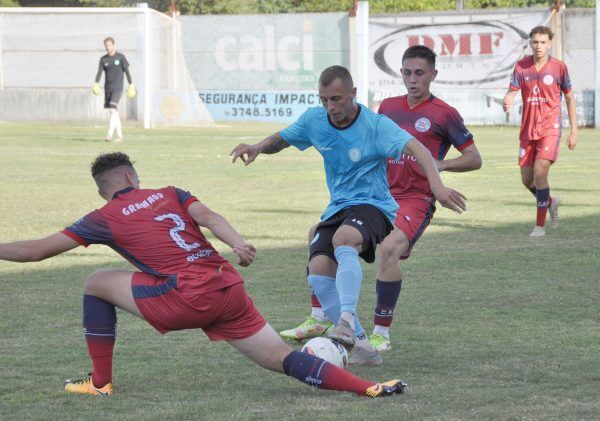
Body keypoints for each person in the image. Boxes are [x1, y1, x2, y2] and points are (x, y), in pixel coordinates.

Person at [0, 152, 406, 398]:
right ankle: (368, 387)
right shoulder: (171, 192)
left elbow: (36, 252)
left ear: (105, 188)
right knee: (282, 358)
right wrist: (238, 243)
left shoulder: (102, 216)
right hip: (226, 286)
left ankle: (100, 383)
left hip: (185, 298)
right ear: (129, 177)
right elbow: (209, 217)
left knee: (95, 283)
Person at [230, 65, 467, 366]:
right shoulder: (315, 120)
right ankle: (363, 345)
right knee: (317, 270)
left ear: (353, 94)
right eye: (324, 99)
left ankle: (343, 322)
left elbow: (417, 148)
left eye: (337, 99)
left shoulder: (375, 125)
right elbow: (284, 138)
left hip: (376, 206)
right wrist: (257, 147)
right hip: (339, 207)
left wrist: (438, 187)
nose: (330, 107)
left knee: (344, 240)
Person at [280, 46, 482, 355]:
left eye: (419, 73)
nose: (412, 80)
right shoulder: (387, 107)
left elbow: (474, 158)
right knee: (317, 236)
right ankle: (320, 316)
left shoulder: (444, 114)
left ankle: (380, 333)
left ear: (433, 75)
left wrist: (441, 167)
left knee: (388, 251)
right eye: (406, 72)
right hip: (381, 194)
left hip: (417, 198)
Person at [502, 26, 577, 237]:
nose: (539, 46)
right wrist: (507, 100)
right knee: (527, 180)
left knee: (540, 172)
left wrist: (574, 131)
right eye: (535, 42)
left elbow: (570, 98)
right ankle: (551, 202)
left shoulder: (559, 68)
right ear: (530, 43)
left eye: (543, 42)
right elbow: (511, 92)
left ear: (549, 44)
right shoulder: (521, 67)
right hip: (528, 130)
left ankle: (540, 226)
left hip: (550, 129)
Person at [93, 37, 136, 143]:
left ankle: (109, 134)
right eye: (106, 46)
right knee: (113, 112)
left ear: (113, 45)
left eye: (109, 45)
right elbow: (99, 72)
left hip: (118, 88)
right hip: (108, 88)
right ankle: (120, 135)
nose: (107, 47)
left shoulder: (121, 57)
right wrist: (96, 83)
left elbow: (127, 71)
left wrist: (131, 85)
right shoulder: (103, 60)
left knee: (112, 108)